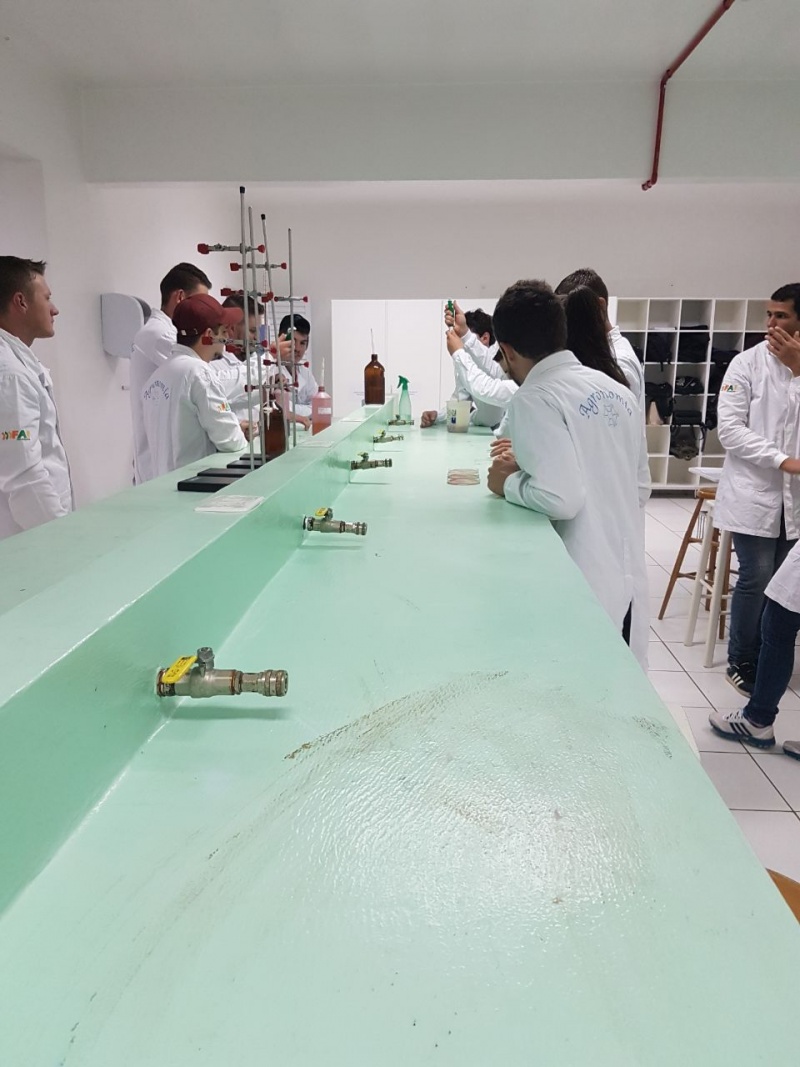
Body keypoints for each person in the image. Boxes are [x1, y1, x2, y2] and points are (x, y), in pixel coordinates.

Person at [486, 279, 647, 668]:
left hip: (582, 574)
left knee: (581, 679)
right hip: (627, 569)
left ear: (507, 350)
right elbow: (640, 485)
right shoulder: (616, 389)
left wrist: (508, 482)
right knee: (619, 675)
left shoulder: (534, 397)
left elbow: (561, 498)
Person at [713, 283, 800, 697]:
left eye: (781, 316)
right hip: (754, 492)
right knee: (757, 576)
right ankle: (741, 660)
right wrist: (781, 460)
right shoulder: (746, 364)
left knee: (784, 585)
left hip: (794, 500)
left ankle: (771, 656)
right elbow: (730, 430)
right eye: (769, 314)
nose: (771, 323)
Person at [0, 257, 73, 539]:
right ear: (21, 302)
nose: (55, 309)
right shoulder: (10, 375)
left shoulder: (17, 365)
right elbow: (24, 479)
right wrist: (62, 537)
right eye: (47, 298)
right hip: (31, 540)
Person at [141, 294, 250, 478]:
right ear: (208, 336)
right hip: (195, 485)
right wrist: (239, 433)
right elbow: (231, 441)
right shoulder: (199, 372)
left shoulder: (157, 377)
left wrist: (235, 427)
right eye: (223, 332)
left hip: (163, 485)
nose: (227, 338)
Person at [130, 262, 211, 484]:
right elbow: (204, 380)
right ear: (180, 297)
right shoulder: (158, 334)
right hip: (158, 456)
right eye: (200, 303)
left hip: (172, 450)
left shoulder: (169, 333)